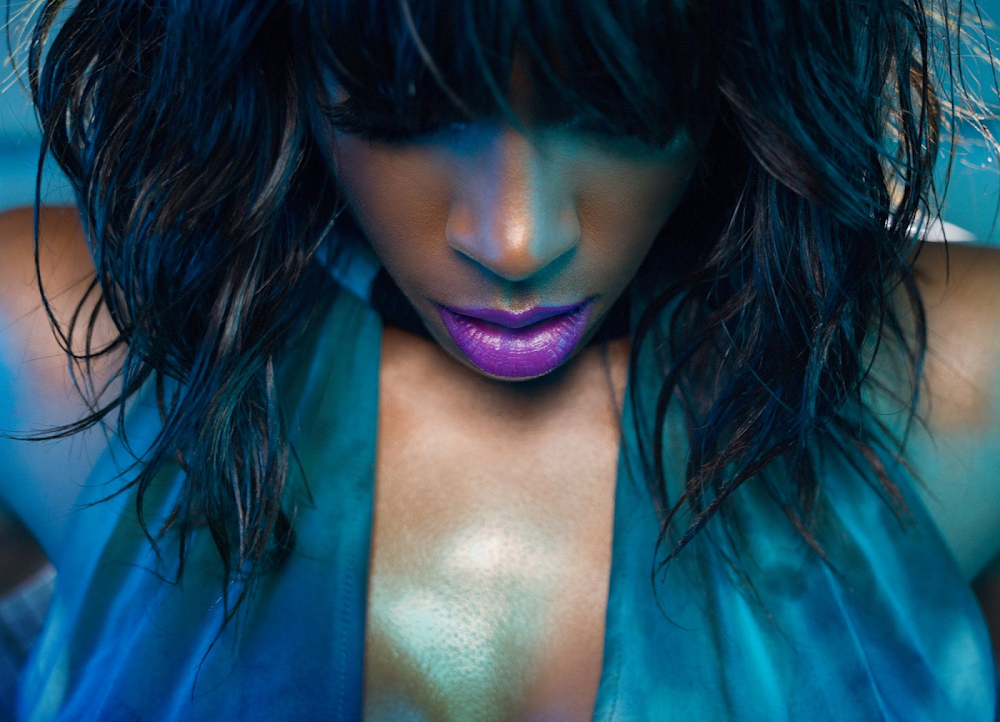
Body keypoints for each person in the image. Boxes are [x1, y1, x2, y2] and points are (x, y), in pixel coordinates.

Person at [1, 0, 999, 719]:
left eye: (613, 104)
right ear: (276, 48)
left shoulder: (966, 377)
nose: (516, 239)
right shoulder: (43, 339)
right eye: (407, 109)